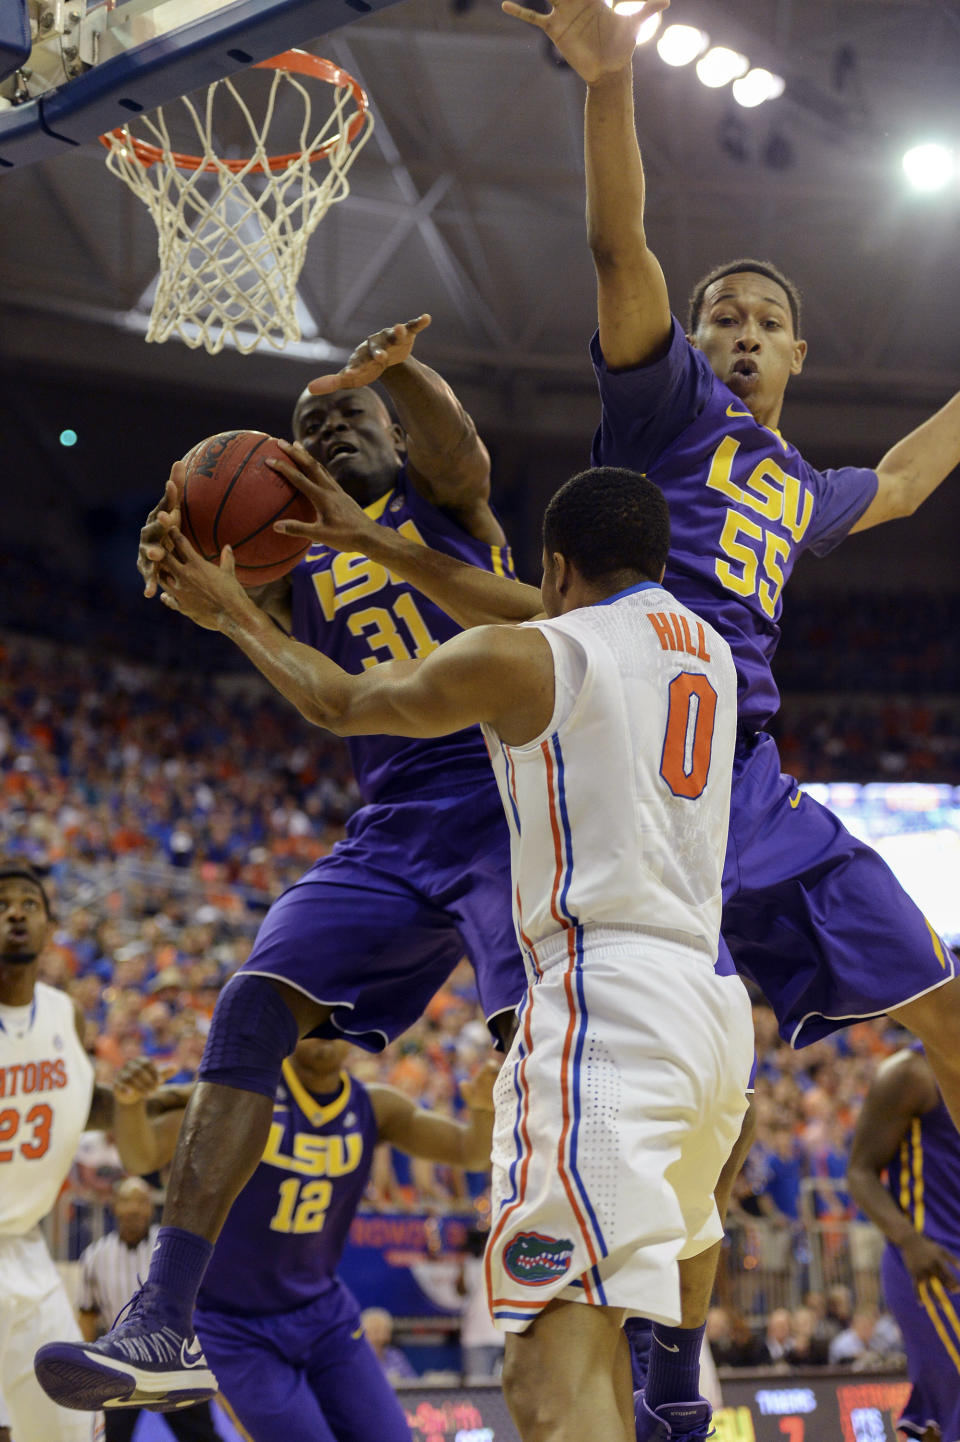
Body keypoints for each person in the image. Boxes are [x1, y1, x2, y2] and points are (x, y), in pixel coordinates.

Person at [39, 462, 753, 1442]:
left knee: (549, 1378)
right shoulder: (706, 645)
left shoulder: (533, 655)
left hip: (604, 1003)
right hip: (710, 1008)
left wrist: (230, 613)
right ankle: (676, 1390)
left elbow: (337, 701)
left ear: (552, 568)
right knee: (674, 1271)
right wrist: (371, 540)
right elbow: (523, 601)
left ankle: (664, 1399)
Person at [37, 322, 525, 1414]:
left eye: (348, 417)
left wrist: (385, 368)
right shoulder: (298, 572)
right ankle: (163, 1318)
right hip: (395, 817)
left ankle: (611, 1307)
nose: (327, 428)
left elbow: (462, 453)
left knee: (532, 1038)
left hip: (513, 795)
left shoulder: (440, 508)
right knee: (252, 1002)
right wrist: (203, 580)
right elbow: (303, 679)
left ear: (393, 435)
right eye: (307, 427)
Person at [89, 1040, 497, 1439]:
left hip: (323, 1313)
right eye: (315, 1019)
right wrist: (128, 1105)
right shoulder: (241, 1095)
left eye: (338, 1020)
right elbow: (142, 1156)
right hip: (235, 1326)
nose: (328, 1030)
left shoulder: (375, 1106)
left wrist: (481, 1110)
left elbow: (470, 1150)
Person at [0, 862, 115, 1442]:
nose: (15, 913)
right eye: (2, 905)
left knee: (69, 1425)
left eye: (29, 903)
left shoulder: (63, 1014)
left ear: (49, 929)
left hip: (28, 1248)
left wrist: (154, 1105)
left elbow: (84, 1104)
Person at [848, 1045, 960, 1441]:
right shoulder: (909, 1073)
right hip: (933, 1262)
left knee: (938, 1415)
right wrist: (910, 1241)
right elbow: (859, 1172)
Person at [77, 1178, 219, 1442]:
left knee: (202, 1437)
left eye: (141, 1201)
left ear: (151, 1209)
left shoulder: (172, 1251)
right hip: (118, 1364)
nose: (133, 1209)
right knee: (111, 1438)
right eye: (126, 1200)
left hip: (174, 1361)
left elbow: (201, 1303)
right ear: (114, 1206)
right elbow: (87, 1314)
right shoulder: (94, 1256)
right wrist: (88, 1367)